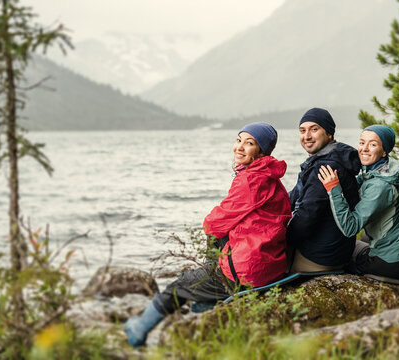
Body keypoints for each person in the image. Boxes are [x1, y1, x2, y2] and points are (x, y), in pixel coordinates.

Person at [125, 122, 291, 347]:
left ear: (261, 152)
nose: (239, 147)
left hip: (248, 272)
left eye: (249, 143)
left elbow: (212, 224)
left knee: (178, 286)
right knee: (220, 238)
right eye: (239, 140)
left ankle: (138, 331)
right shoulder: (270, 177)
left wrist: (211, 222)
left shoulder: (250, 180)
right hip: (270, 263)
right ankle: (208, 295)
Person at [317, 124, 399, 279]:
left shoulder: (380, 186)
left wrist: (333, 188)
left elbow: (350, 227)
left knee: (339, 256)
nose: (364, 149)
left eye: (373, 144)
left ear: (384, 151)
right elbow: (360, 186)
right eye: (362, 143)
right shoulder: (384, 170)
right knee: (359, 241)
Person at [286, 108, 361, 273]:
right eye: (302, 130)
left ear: (329, 134)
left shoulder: (326, 167)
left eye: (314, 129)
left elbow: (307, 217)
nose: (307, 136)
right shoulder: (333, 157)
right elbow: (296, 195)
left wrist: (282, 236)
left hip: (322, 254)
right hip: (337, 246)